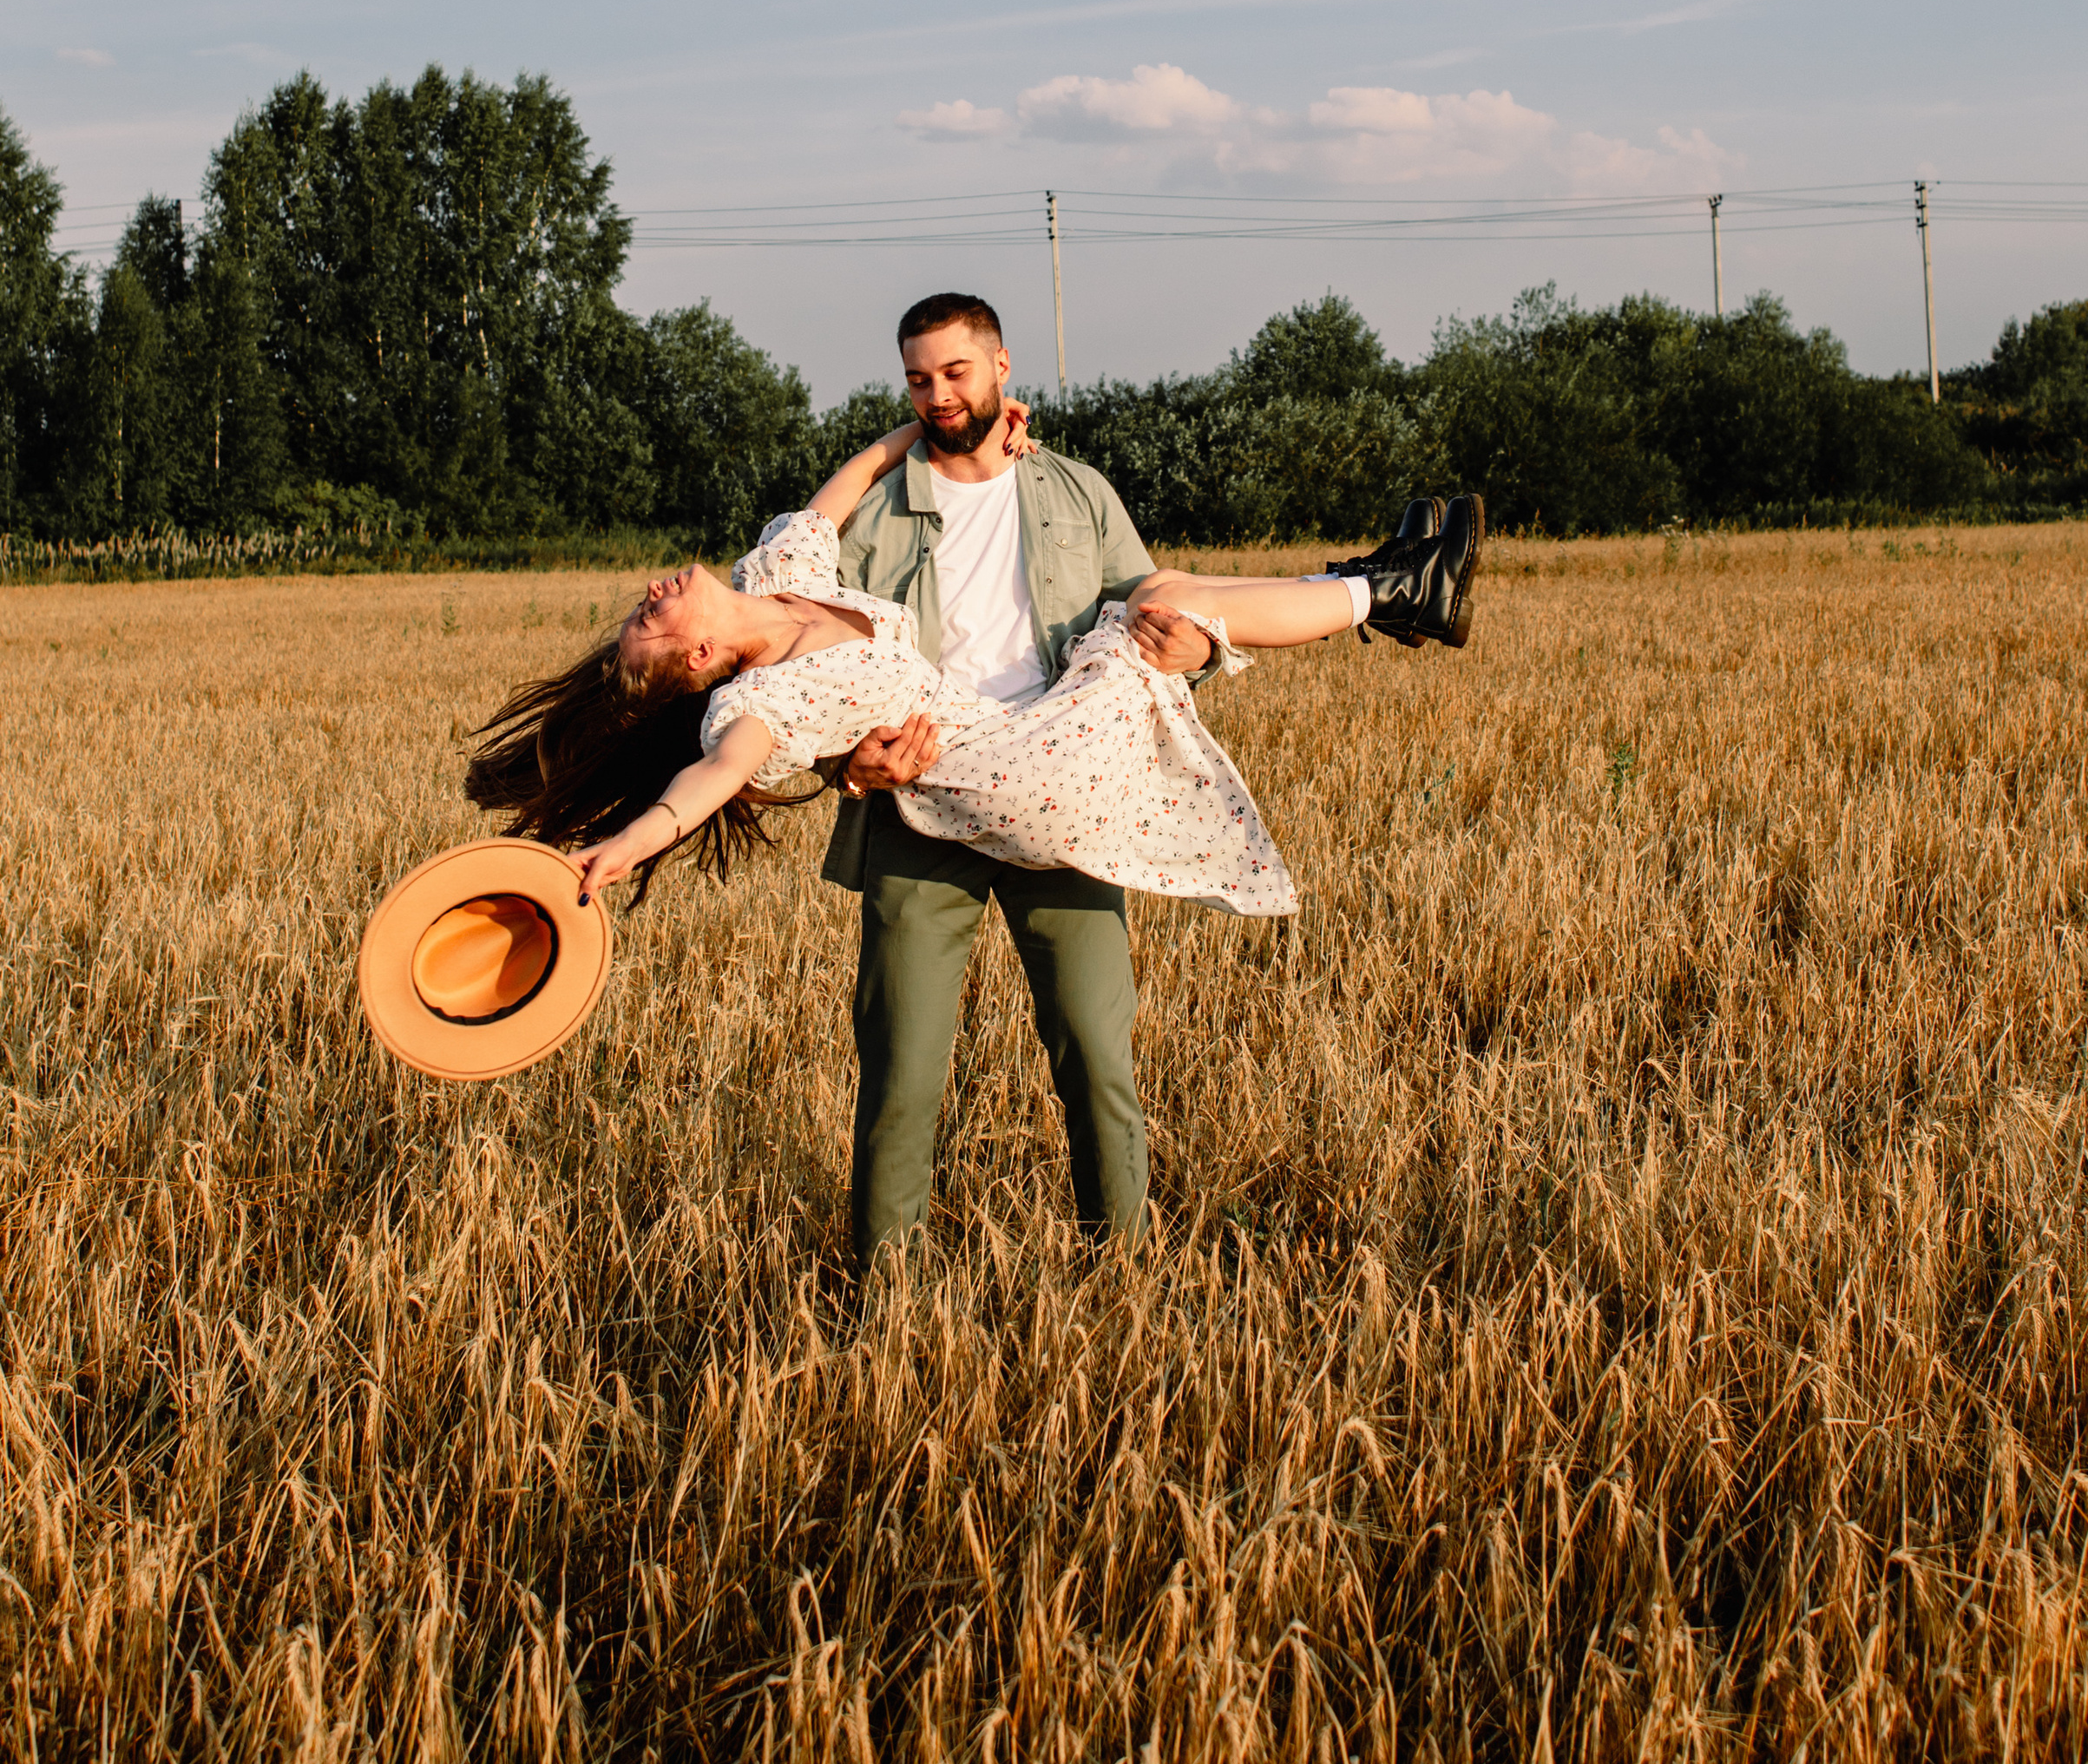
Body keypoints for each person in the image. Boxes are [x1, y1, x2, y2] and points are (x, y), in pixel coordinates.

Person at [466, 291, 1481, 1262]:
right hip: (920, 812)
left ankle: (1116, 1265)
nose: (936, 395)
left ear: (1002, 368)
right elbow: (735, 762)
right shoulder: (819, 594)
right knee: (901, 1073)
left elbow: (1164, 605)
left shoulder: (1059, 491)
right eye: (917, 382)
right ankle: (1385, 589)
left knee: (1096, 1053)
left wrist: (1199, 653)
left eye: (953, 373)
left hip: (1048, 775)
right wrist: (832, 774)